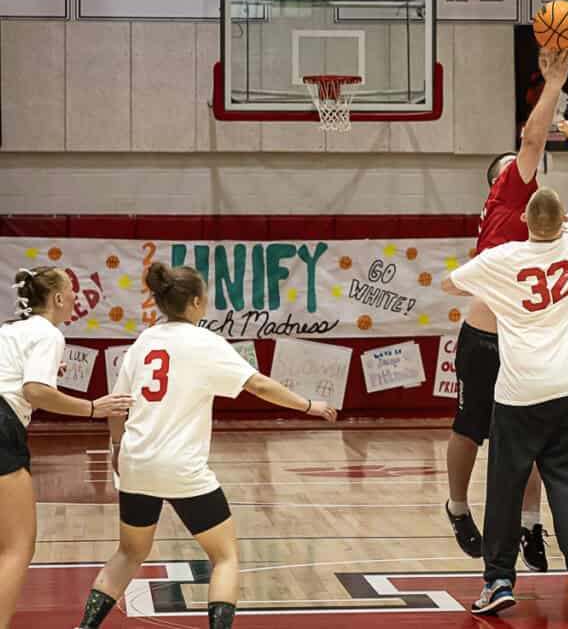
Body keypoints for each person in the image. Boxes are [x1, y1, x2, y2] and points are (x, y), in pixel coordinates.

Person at [75, 263, 336, 629]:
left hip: (136, 462)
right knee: (225, 557)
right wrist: (310, 405)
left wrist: (118, 447)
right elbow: (258, 385)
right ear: (196, 302)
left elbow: (117, 405)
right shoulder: (207, 343)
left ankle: (84, 627)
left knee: (129, 553)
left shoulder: (144, 341)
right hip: (182, 469)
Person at [443, 118, 568, 615]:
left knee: (504, 485)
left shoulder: (503, 258)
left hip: (519, 391)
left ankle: (498, 581)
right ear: (566, 220)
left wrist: (491, 283)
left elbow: (452, 286)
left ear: (523, 220)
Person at [445, 48, 568, 573]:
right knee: (470, 428)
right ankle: (456, 506)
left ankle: (530, 522)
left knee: (533, 435)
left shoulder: (548, 226)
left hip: (528, 341)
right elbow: (532, 139)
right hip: (484, 337)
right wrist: (554, 83)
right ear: (501, 181)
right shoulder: (506, 195)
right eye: (520, 165)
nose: (530, 166)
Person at [0, 267, 134, 629]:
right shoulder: (48, 333)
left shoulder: (9, 329)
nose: (77, 295)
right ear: (58, 298)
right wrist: (93, 408)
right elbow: (34, 391)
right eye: (72, 290)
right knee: (17, 545)